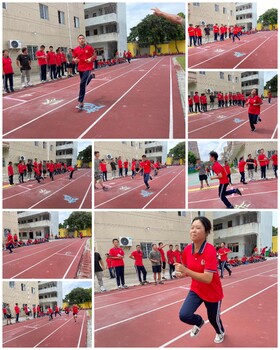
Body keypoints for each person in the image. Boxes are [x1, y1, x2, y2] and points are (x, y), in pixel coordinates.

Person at [175, 216, 225, 344]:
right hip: (196, 290)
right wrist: (182, 273)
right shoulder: (187, 250)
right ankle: (199, 322)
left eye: (198, 228)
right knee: (184, 315)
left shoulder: (210, 250)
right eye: (192, 228)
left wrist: (186, 271)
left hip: (212, 292)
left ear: (206, 231)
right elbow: (187, 268)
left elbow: (208, 278)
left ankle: (220, 332)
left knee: (213, 319)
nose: (194, 231)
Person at [73, 34, 96, 110]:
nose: (81, 40)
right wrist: (75, 60)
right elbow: (74, 58)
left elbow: (95, 55)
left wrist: (91, 59)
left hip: (88, 67)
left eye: (82, 38)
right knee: (83, 83)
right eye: (80, 38)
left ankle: (80, 101)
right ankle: (91, 76)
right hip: (80, 68)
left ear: (84, 40)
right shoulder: (76, 49)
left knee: (82, 84)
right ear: (78, 40)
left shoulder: (89, 48)